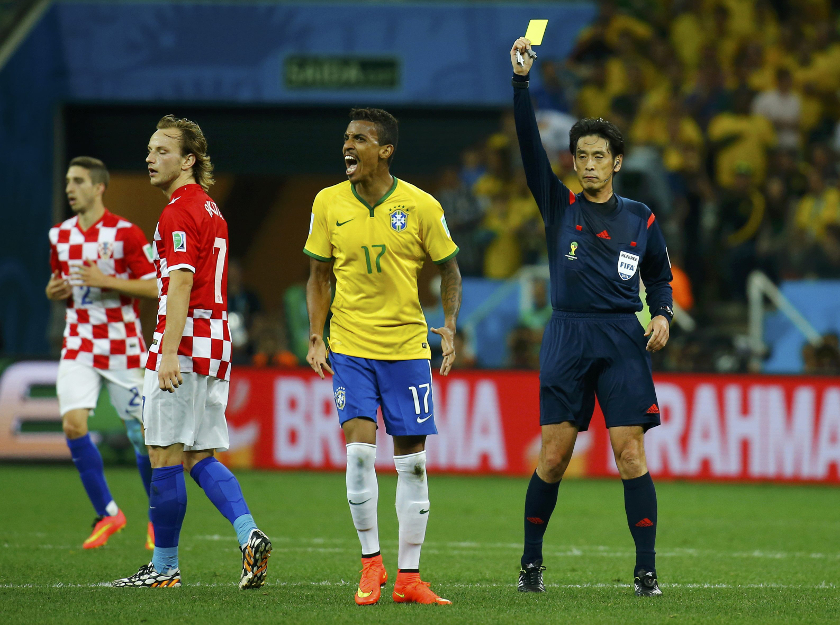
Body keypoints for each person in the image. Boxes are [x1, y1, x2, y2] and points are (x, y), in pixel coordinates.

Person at [510, 38, 674, 597]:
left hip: (623, 335)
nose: (588, 164)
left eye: (598, 155)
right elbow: (531, 151)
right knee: (554, 456)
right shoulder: (559, 207)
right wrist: (521, 85)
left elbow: (659, 278)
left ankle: (645, 570)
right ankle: (531, 564)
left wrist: (664, 315)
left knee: (630, 452)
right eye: (580, 155)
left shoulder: (641, 218)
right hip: (568, 334)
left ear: (617, 162)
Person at [304, 108, 462, 606]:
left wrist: (451, 327)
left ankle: (409, 578)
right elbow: (318, 276)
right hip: (350, 346)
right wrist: (315, 335)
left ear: (385, 150)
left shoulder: (420, 206)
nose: (347, 147)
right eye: (345, 138)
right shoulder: (328, 202)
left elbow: (450, 271)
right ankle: (371, 565)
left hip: (407, 349)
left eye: (359, 139)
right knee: (359, 454)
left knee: (412, 466)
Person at [113, 115, 270, 589]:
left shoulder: (178, 212)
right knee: (200, 455)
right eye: (148, 150)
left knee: (164, 456)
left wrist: (167, 353)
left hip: (183, 344)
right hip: (215, 342)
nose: (150, 158)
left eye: (162, 150)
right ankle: (249, 534)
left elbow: (179, 284)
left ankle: (163, 569)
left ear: (189, 160)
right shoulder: (211, 210)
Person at [47, 156, 158, 550]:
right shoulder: (59, 235)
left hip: (122, 345)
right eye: (67, 181)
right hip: (78, 343)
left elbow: (156, 287)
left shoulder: (126, 234)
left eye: (77, 181)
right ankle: (109, 512)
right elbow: (56, 281)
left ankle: (157, 519)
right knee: (73, 425)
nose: (69, 188)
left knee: (143, 437)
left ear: (98, 187)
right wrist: (53, 290)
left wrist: (105, 280)